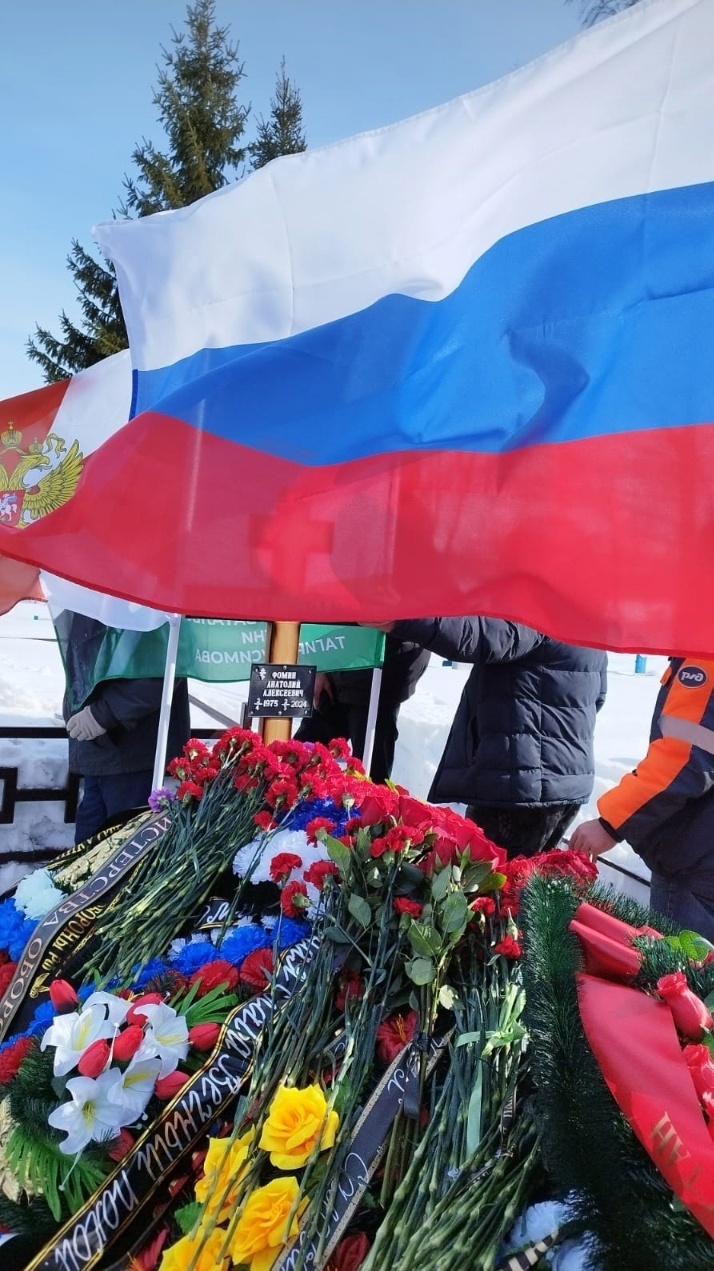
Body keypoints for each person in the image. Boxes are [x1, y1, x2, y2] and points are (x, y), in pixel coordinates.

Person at [376, 617, 607, 857]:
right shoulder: (587, 618)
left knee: (481, 874)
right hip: (567, 779)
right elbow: (597, 697)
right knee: (523, 876)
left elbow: (477, 637)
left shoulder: (538, 608)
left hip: (519, 783)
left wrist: (401, 620)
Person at [571, 657, 714, 942]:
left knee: (680, 967)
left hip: (695, 860)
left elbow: (682, 760)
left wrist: (611, 824)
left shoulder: (704, 656)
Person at [62, 614, 190, 844]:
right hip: (100, 747)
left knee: (125, 845)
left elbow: (162, 669)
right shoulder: (94, 599)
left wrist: (102, 713)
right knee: (89, 846)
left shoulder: (147, 604)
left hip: (132, 749)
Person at [294, 635, 430, 784]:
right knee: (299, 763)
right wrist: (317, 665)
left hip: (381, 672)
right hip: (335, 665)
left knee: (370, 775)